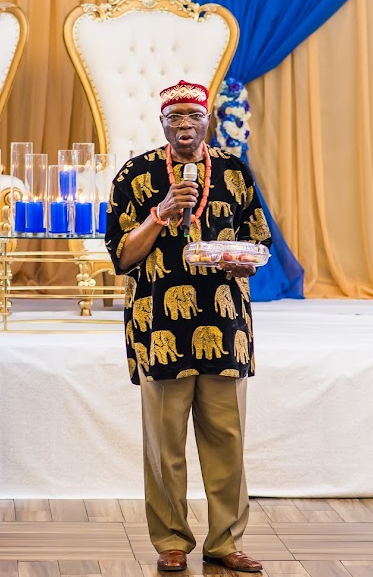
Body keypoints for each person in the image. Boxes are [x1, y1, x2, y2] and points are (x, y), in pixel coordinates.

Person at [105, 80, 271, 572]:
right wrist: (161, 212)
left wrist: (244, 264)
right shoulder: (136, 175)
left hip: (225, 324)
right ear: (162, 125)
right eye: (174, 119)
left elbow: (255, 242)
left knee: (227, 440)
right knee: (164, 445)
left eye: (192, 119)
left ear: (207, 122)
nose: (184, 127)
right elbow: (121, 256)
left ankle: (225, 540)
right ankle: (171, 541)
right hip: (159, 326)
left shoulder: (235, 173)